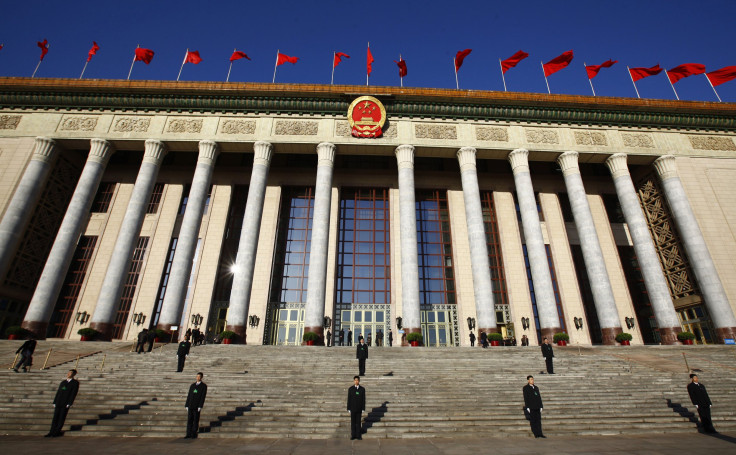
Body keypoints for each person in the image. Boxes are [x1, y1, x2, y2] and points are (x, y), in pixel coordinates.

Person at [46, 369, 79, 437]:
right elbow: (59, 392)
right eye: (69, 372)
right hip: (59, 401)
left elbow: (73, 393)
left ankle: (57, 431)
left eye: (71, 373)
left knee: (61, 417)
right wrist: (55, 401)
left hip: (65, 402)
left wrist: (70, 403)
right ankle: (51, 431)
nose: (69, 374)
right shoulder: (63, 382)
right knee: (55, 417)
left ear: (74, 374)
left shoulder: (75, 383)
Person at [185, 372, 207, 439]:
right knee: (189, 420)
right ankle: (188, 433)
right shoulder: (192, 385)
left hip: (197, 405)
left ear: (201, 377)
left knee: (196, 420)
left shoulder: (203, 386)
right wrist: (187, 404)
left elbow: (203, 396)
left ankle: (194, 433)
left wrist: (200, 406)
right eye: (197, 376)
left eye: (199, 376)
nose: (198, 378)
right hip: (191, 405)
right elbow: (189, 395)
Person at [347, 375, 366, 440]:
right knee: (353, 422)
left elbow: (363, 399)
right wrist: (348, 408)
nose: (356, 381)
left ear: (359, 381)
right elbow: (349, 399)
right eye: (355, 380)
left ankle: (358, 435)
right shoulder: (351, 389)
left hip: (359, 408)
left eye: (357, 380)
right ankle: (353, 435)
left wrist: (363, 408)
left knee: (358, 422)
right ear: (354, 381)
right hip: (353, 408)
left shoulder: (362, 389)